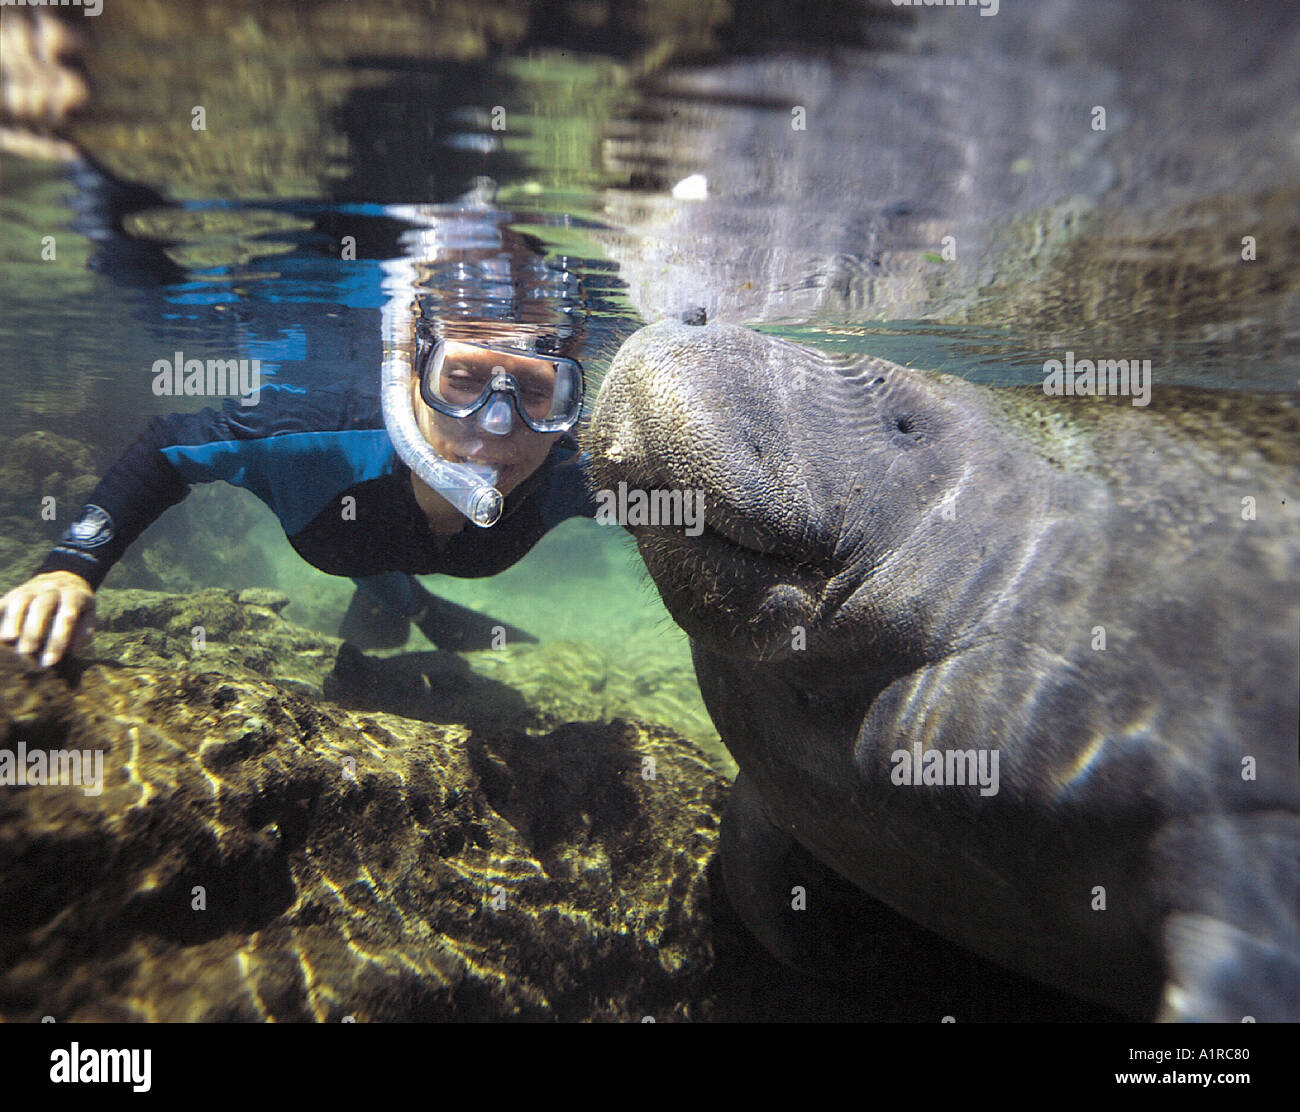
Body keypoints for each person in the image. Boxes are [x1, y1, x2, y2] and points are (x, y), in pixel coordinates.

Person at [0, 308, 598, 668]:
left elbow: (686, 516)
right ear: (410, 377)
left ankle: (409, 605)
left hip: (360, 540)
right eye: (462, 381)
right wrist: (73, 566)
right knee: (358, 529)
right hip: (349, 536)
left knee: (364, 533)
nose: (496, 426)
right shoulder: (315, 441)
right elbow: (164, 449)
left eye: (539, 393)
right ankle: (412, 604)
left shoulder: (576, 473)